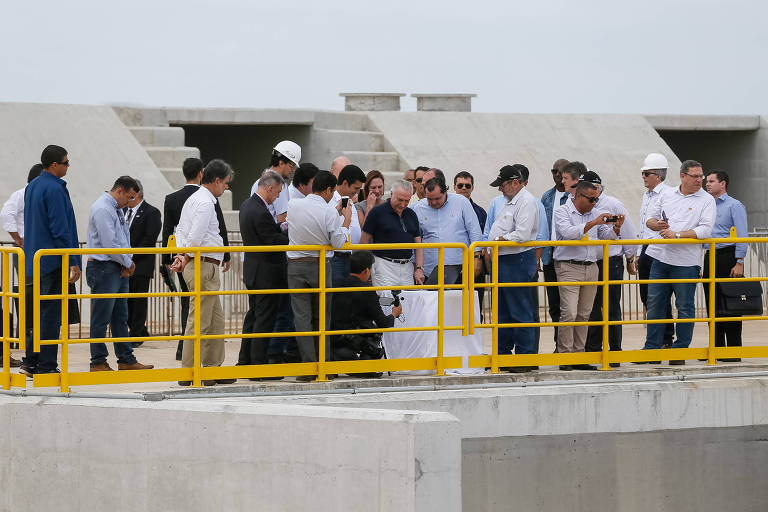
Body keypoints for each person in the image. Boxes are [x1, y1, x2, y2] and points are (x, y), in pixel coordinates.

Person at [641, 160, 715, 365]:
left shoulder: (707, 200)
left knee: (684, 307)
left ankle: (680, 350)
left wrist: (678, 235)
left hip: (686, 263)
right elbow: (650, 219)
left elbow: (705, 230)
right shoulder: (667, 194)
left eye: (701, 176)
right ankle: (651, 349)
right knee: (654, 304)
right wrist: (658, 225)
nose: (699, 180)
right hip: (660, 257)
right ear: (682, 176)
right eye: (695, 176)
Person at [170, 159, 236, 386]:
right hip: (203, 264)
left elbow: (180, 230)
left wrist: (182, 255)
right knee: (200, 321)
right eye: (225, 183)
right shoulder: (206, 202)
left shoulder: (194, 198)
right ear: (216, 181)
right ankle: (190, 371)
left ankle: (210, 368)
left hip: (202, 264)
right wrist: (186, 256)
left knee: (215, 321)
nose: (226, 187)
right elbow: (196, 237)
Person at [553, 169, 623, 370]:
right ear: (578, 195)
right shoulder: (562, 211)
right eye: (591, 199)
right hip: (568, 266)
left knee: (585, 314)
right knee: (569, 312)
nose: (594, 203)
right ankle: (565, 356)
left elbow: (606, 236)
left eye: (596, 199)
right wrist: (593, 222)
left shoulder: (595, 213)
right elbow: (568, 233)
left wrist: (616, 227)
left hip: (591, 267)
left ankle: (579, 356)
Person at [286, 171, 352, 381]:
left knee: (301, 317)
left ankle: (307, 367)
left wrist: (334, 213)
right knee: (322, 317)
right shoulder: (329, 211)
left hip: (295, 265)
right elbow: (338, 243)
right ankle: (323, 365)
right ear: (329, 190)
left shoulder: (293, 205)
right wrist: (345, 221)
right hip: (320, 265)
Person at [20, 146, 80, 375]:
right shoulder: (55, 188)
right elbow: (60, 228)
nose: (68, 166)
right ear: (54, 165)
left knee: (39, 312)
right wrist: (73, 259)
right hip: (53, 260)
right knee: (50, 315)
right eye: (66, 162)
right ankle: (46, 365)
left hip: (35, 260)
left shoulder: (33, 186)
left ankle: (31, 361)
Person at [86, 176, 154, 372]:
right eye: (130, 197)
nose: (130, 202)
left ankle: (126, 358)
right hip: (104, 267)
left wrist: (126, 261)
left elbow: (122, 239)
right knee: (101, 317)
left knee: (120, 316)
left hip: (116, 266)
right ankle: (98, 361)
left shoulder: (115, 208)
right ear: (120, 191)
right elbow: (109, 243)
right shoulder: (103, 208)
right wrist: (128, 262)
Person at [487, 165, 540, 373]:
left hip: (517, 260)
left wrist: (499, 240)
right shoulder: (511, 201)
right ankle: (503, 355)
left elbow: (523, 234)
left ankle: (524, 358)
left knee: (519, 310)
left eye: (502, 185)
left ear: (515, 183)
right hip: (505, 260)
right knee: (504, 312)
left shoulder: (526, 201)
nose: (500, 189)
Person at [237, 171, 289, 378]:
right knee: (264, 320)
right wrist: (290, 235)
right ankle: (259, 366)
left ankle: (245, 361)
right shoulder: (260, 211)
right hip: (266, 273)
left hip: (254, 270)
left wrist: (279, 227)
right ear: (269, 188)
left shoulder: (247, 205)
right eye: (277, 192)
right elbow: (271, 240)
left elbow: (265, 232)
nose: (278, 196)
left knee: (253, 317)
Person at [583, 174, 639, 365]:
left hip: (611, 261)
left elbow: (628, 232)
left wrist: (630, 258)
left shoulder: (613, 204)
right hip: (592, 261)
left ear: (598, 188)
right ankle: (593, 349)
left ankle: (615, 351)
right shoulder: (583, 206)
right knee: (591, 308)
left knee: (612, 307)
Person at [331, 251, 403, 378]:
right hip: (352, 343)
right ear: (366, 271)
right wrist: (394, 314)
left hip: (332, 342)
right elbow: (384, 323)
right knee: (373, 329)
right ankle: (365, 365)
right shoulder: (367, 291)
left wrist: (377, 300)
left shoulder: (335, 285)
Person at [0, 163, 43, 368]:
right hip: (27, 251)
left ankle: (37, 341)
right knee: (31, 293)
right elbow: (6, 214)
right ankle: (30, 342)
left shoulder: (38, 194)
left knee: (41, 295)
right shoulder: (22, 194)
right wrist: (18, 238)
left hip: (40, 251)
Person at [702, 170, 747, 360]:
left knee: (731, 305)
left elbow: (742, 235)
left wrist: (739, 262)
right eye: (707, 181)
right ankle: (717, 349)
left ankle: (734, 351)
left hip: (728, 256)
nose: (707, 184)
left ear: (723, 184)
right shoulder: (705, 205)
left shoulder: (734, 205)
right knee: (712, 305)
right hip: (710, 256)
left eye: (711, 181)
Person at [637, 152, 676, 349]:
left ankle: (666, 338)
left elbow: (666, 224)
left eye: (646, 173)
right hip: (646, 247)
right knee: (647, 296)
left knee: (660, 296)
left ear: (658, 176)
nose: (643, 177)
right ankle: (657, 338)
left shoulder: (668, 194)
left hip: (659, 248)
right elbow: (642, 225)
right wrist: (638, 252)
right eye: (643, 173)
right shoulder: (647, 195)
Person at [412, 177, 482, 285]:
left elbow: (474, 231)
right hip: (428, 272)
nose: (434, 202)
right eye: (429, 199)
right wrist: (417, 267)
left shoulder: (461, 202)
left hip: (460, 270)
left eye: (437, 198)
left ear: (445, 192)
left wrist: (477, 258)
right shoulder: (417, 208)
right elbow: (414, 238)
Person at [359, 180, 425, 287]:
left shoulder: (411, 214)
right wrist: (367, 268)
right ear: (391, 194)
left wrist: (419, 269)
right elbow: (364, 241)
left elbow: (418, 245)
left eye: (407, 201)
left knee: (408, 297)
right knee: (386, 297)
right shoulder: (376, 212)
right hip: (383, 266)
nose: (403, 204)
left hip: (407, 267)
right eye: (400, 200)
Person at [124, 180, 162, 348]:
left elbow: (149, 239)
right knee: (125, 301)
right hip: (123, 264)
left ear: (137, 194)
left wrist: (130, 257)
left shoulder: (151, 212)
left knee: (138, 301)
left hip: (140, 265)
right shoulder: (122, 211)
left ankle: (135, 334)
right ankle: (140, 330)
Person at [540, 158, 570, 349]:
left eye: (561, 171)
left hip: (568, 257)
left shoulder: (574, 196)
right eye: (554, 171)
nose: (557, 175)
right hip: (550, 257)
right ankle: (559, 344)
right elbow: (541, 227)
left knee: (569, 306)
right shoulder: (547, 196)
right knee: (554, 304)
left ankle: (571, 346)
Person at [249, 140, 301, 224]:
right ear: (281, 163)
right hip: (271, 231)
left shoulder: (258, 182)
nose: (293, 170)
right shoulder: (279, 186)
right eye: (292, 166)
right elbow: (283, 221)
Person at [330, 164, 366, 284]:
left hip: (349, 257)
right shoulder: (330, 201)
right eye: (356, 188)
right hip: (335, 258)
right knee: (336, 292)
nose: (357, 192)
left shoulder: (349, 200)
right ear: (345, 183)